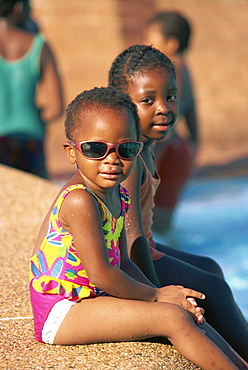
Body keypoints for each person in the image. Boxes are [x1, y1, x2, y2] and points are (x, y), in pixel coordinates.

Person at [29, 86, 246, 370]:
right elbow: (103, 274)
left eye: (126, 149)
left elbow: (123, 261)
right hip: (62, 311)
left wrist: (163, 292)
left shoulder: (119, 195)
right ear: (72, 152)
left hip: (92, 297)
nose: (112, 159)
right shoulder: (81, 200)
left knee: (184, 309)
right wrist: (156, 295)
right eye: (96, 149)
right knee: (172, 318)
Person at [108, 44, 248, 360]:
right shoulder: (129, 159)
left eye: (171, 96)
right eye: (148, 100)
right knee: (218, 290)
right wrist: (157, 295)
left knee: (211, 267)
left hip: (145, 249)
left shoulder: (144, 148)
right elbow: (131, 243)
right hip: (130, 265)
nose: (164, 107)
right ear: (121, 103)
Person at [144, 11, 198, 234]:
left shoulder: (169, 69)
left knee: (151, 223)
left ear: (171, 43)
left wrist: (150, 157)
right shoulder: (184, 68)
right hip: (180, 150)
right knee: (164, 226)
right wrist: (195, 146)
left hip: (165, 150)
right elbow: (193, 112)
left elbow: (166, 117)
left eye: (152, 38)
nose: (147, 44)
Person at [0, 0, 63, 178]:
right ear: (18, 7)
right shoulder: (39, 45)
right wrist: (33, 118)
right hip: (30, 141)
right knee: (34, 201)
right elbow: (55, 108)